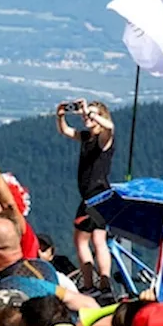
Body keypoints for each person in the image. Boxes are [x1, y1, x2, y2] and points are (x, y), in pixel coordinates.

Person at [57, 99, 115, 296]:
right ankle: (104, 285)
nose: (86, 117)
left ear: (100, 116)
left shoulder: (103, 139)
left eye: (91, 114)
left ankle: (90, 285)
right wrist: (60, 116)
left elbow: (110, 126)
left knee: (81, 241)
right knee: (99, 239)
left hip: (93, 196)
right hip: (101, 196)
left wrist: (91, 113)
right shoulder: (87, 137)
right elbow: (66, 131)